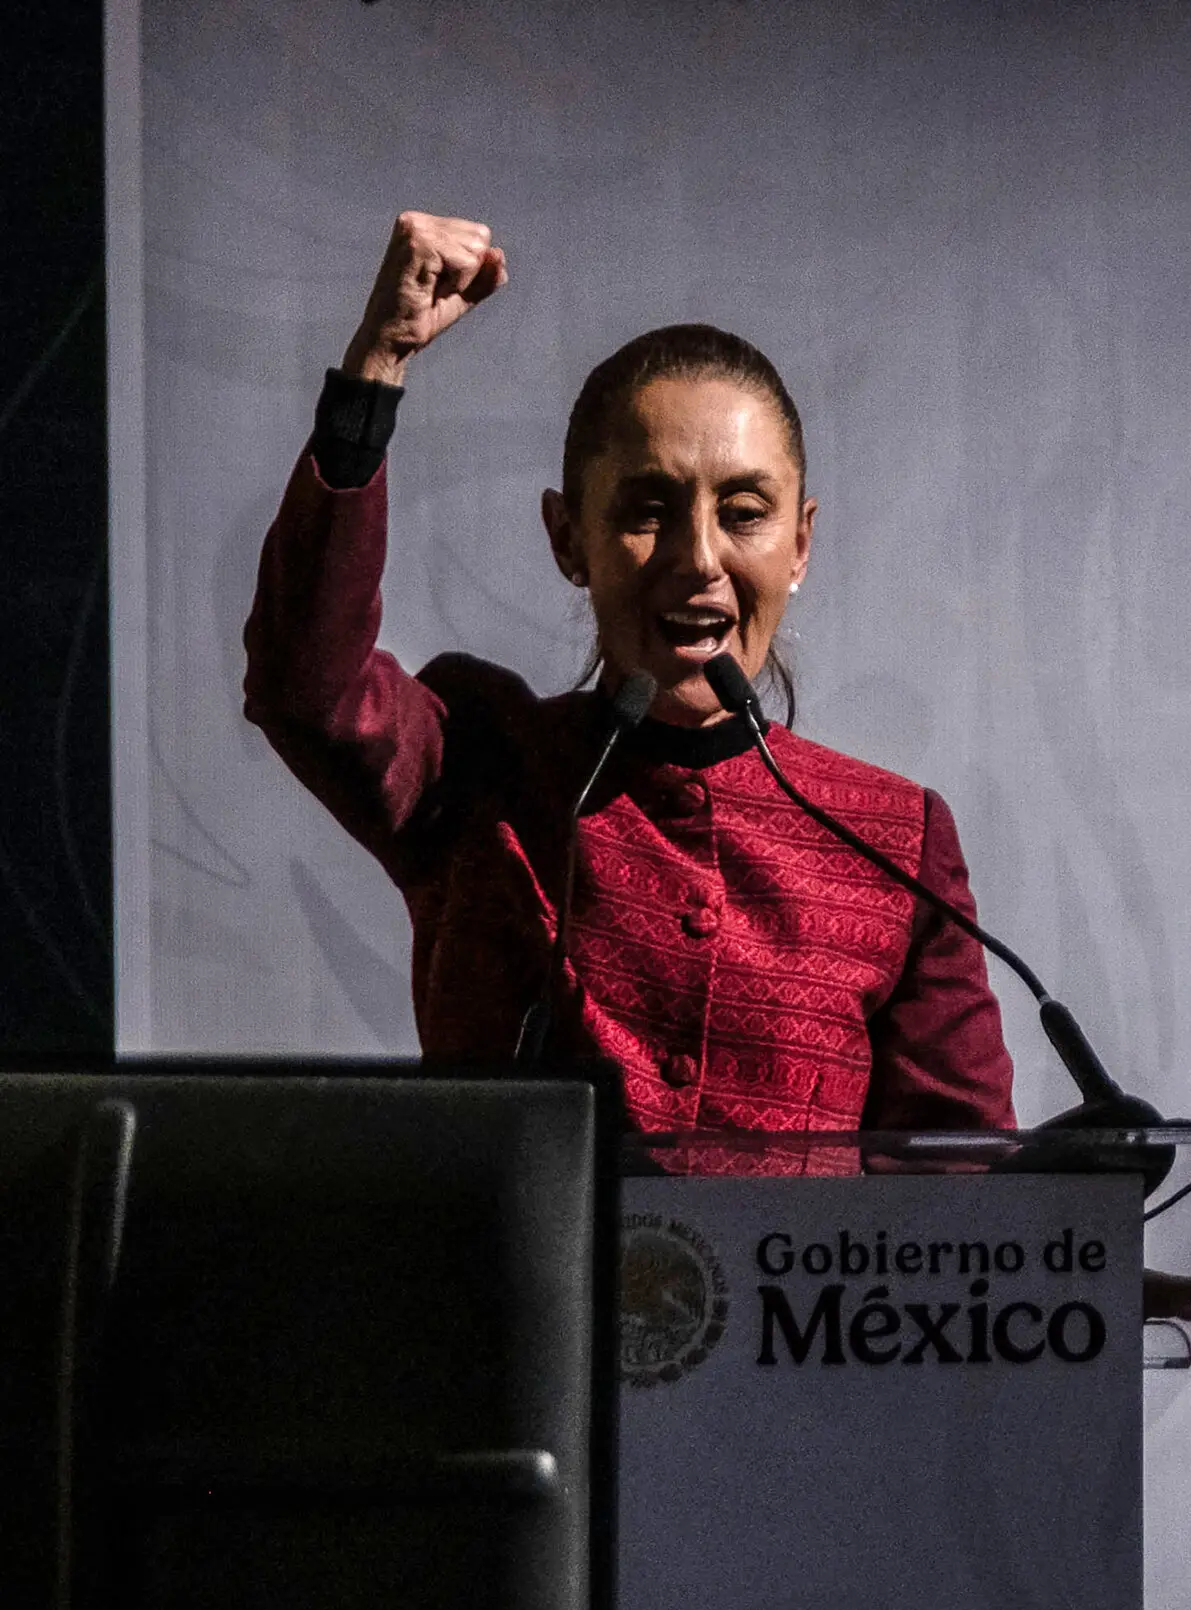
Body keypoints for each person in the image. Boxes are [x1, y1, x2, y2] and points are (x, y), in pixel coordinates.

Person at [243, 211, 1016, 1148]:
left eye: (744, 512)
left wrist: (1072, 1225)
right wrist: (378, 365)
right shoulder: (479, 767)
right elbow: (304, 682)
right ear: (569, 538)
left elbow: (958, 1179)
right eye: (649, 510)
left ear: (801, 544)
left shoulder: (894, 840)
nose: (700, 559)